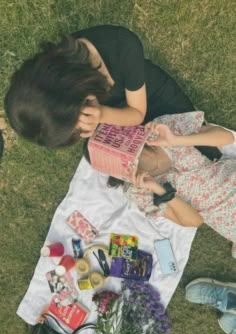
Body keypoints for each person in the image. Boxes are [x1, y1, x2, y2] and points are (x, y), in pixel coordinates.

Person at [4, 25, 220, 159]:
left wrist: (101, 115)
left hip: (152, 96)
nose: (80, 131)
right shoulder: (60, 91)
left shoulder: (121, 46)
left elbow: (136, 113)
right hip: (113, 112)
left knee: (204, 148)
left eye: (75, 125)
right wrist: (96, 117)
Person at [83, 111, 236, 253]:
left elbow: (227, 137)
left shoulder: (159, 129)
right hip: (226, 217)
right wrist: (159, 189)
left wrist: (176, 140)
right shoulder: (137, 189)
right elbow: (195, 221)